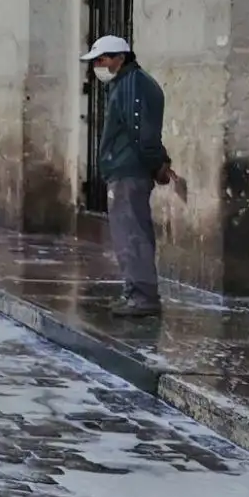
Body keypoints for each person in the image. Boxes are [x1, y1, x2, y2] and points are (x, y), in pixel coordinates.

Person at [82, 35, 171, 318]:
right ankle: (135, 293)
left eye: (102, 59)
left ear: (120, 58)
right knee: (129, 234)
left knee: (131, 235)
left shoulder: (134, 85)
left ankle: (142, 298)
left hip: (128, 171)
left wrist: (158, 163)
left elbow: (142, 133)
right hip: (125, 169)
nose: (98, 65)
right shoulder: (127, 84)